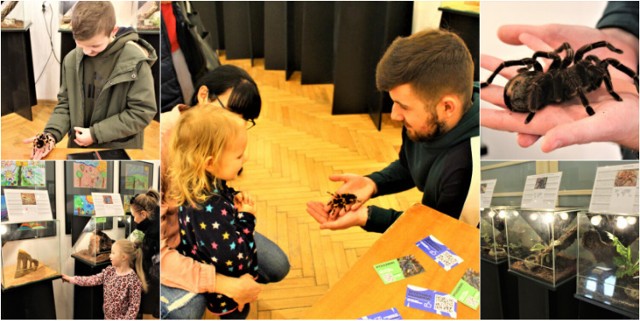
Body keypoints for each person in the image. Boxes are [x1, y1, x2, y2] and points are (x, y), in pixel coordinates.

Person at [306, 29, 478, 232]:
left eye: (404, 106)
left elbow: (436, 233)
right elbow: (409, 166)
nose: (395, 115)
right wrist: (372, 183)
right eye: (394, 102)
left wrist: (368, 217)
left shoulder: (466, 168)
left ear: (447, 107)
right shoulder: (428, 121)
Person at [480, 2, 639, 159]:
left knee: (591, 64)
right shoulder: (572, 82)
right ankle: (491, 85)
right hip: (533, 92)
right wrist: (622, 33)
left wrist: (612, 91)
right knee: (540, 70)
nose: (591, 63)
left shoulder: (577, 71)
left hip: (538, 86)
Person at [26, 1, 157, 160]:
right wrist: (50, 135)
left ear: (113, 31)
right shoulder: (71, 60)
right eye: (80, 45)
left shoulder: (135, 63)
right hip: (79, 150)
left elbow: (142, 112)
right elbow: (66, 104)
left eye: (95, 46)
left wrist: (96, 134)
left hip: (119, 150)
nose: (87, 51)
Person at [165, 106, 257, 319]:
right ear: (210, 162)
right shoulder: (209, 210)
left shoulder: (199, 185)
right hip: (230, 290)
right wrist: (247, 217)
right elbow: (236, 256)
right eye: (239, 156)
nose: (245, 159)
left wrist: (233, 199)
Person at [62, 239, 148, 319]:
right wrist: (71, 279)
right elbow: (92, 279)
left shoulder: (133, 280)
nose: (109, 256)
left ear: (123, 257)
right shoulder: (109, 271)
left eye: (113, 253)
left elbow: (134, 308)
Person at [128, 190, 160, 318]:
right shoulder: (146, 224)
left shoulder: (153, 232)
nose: (134, 220)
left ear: (143, 214)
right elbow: (131, 241)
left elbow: (143, 251)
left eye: (134, 216)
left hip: (154, 278)